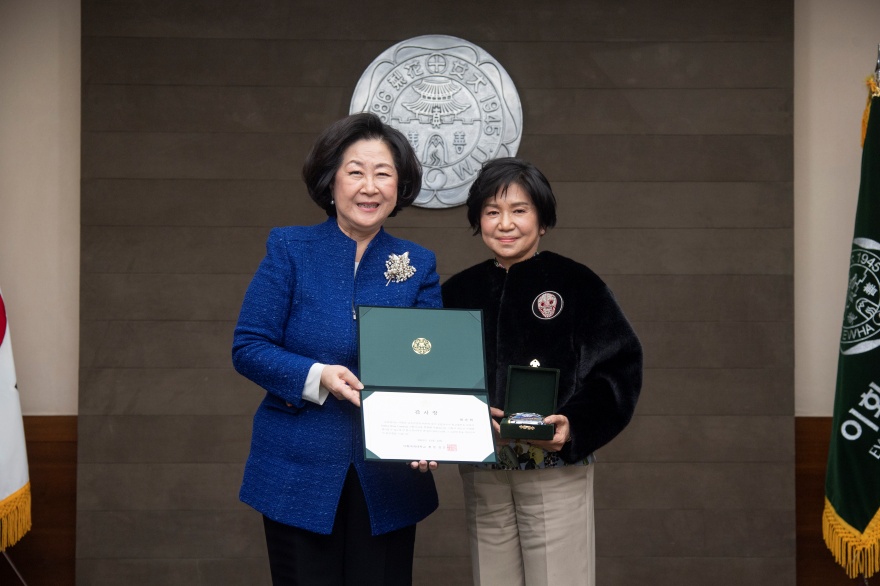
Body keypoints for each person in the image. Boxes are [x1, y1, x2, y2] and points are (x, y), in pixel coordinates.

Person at [232, 113, 441, 586]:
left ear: (400, 186)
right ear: (330, 182)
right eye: (356, 171)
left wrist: (430, 434)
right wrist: (317, 375)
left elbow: (428, 364)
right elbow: (248, 346)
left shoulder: (418, 263)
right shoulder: (290, 248)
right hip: (296, 471)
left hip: (388, 478)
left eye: (384, 173)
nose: (370, 186)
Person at [442, 157, 643, 586]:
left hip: (555, 466)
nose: (505, 223)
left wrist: (573, 426)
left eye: (520, 210)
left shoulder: (577, 284)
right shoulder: (456, 292)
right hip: (485, 469)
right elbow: (433, 373)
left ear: (542, 219)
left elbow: (618, 370)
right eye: (492, 212)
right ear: (478, 219)